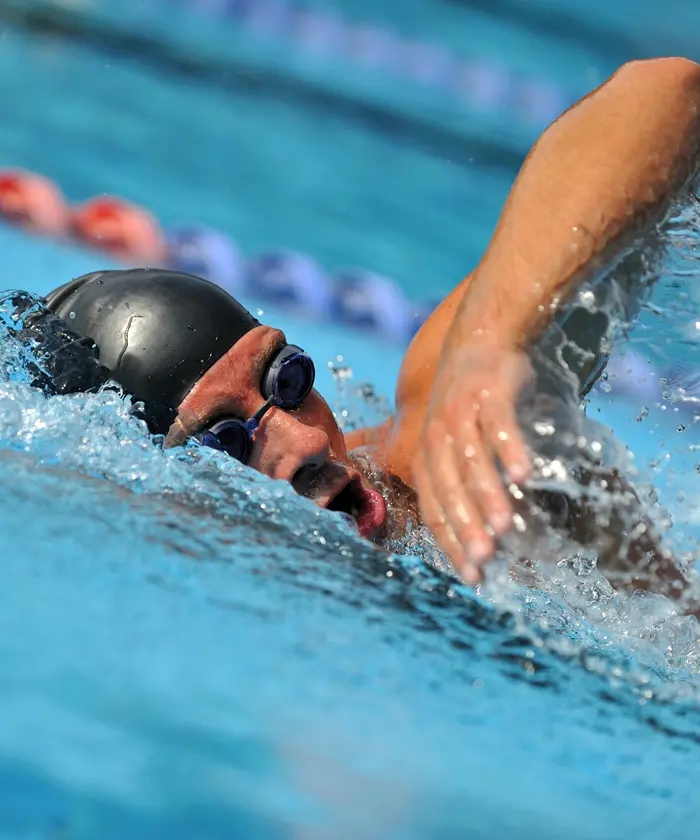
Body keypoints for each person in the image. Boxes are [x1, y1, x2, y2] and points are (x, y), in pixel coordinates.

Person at [14, 57, 700, 605]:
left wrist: (494, 341)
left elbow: (668, 93)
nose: (307, 443)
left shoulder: (460, 452)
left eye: (287, 380)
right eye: (224, 442)